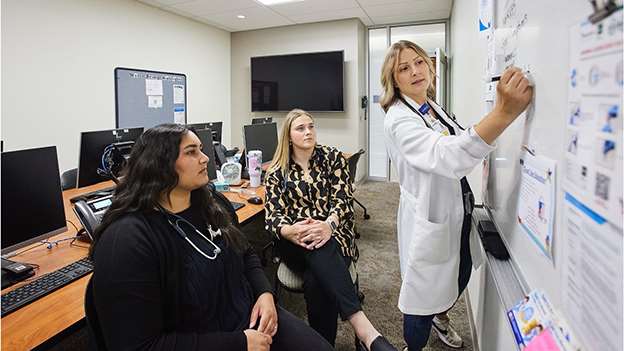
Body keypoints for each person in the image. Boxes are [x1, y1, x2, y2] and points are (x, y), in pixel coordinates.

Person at [89, 123, 334, 351]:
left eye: (202, 150)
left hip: (250, 316)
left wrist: (264, 293)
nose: (205, 158)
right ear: (159, 163)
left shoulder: (209, 202)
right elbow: (140, 346)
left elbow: (245, 251)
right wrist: (238, 343)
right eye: (191, 152)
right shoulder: (127, 239)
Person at [380, 40, 533, 350]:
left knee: (458, 275)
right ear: (394, 80)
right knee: (420, 297)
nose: (415, 71)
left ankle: (441, 316)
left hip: (458, 212)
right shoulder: (398, 119)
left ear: (430, 65)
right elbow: (446, 155)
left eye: (419, 62)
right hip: (430, 217)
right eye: (404, 68)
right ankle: (415, 345)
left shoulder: (429, 105)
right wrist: (503, 113)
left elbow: (458, 136)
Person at [264, 109, 397, 351]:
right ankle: (365, 330)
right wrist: (290, 230)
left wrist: (328, 225)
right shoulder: (276, 171)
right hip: (294, 241)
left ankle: (322, 345)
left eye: (311, 126)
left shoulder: (333, 158)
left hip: (335, 236)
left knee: (316, 280)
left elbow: (343, 202)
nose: (308, 132)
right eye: (301, 128)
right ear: (289, 135)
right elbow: (273, 216)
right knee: (316, 241)